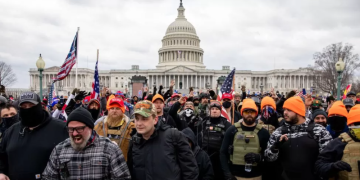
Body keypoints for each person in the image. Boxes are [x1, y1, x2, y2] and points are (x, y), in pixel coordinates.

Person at [42, 107, 131, 179]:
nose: (74, 133)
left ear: (90, 128)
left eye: (79, 129)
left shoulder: (110, 149)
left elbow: (123, 177)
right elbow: (48, 177)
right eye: (71, 129)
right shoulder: (59, 150)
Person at [0, 92, 68, 180]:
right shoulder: (11, 132)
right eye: (24, 107)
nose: (28, 109)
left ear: (40, 106)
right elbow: (2, 157)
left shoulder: (61, 129)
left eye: (31, 106)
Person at [127, 101, 199, 180]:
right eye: (137, 119)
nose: (139, 123)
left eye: (144, 119)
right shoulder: (134, 142)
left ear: (155, 119)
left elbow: (190, 170)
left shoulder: (173, 136)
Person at [265, 96, 332, 180]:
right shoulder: (278, 132)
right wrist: (275, 148)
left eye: (289, 110)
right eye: (284, 109)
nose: (285, 113)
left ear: (298, 111)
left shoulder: (319, 130)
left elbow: (328, 158)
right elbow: (268, 158)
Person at [221, 99, 270, 180]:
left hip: (256, 176)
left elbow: (269, 156)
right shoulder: (232, 130)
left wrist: (259, 157)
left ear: (256, 114)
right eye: (246, 112)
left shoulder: (263, 132)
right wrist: (228, 174)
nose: (249, 114)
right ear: (242, 113)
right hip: (235, 176)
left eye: (252, 112)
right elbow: (223, 153)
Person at [315, 104, 360, 180]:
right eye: (358, 124)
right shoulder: (338, 143)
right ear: (351, 124)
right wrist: (332, 167)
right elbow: (319, 166)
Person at [202, 100, 232, 180]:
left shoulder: (226, 123)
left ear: (220, 111)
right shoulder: (203, 122)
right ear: (209, 110)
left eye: (217, 109)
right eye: (212, 109)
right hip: (206, 157)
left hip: (221, 159)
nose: (214, 111)